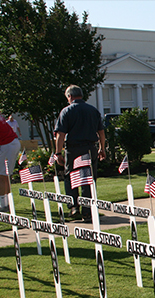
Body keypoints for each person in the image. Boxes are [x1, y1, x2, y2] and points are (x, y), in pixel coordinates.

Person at [53, 85, 106, 222]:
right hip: (90, 148)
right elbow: (101, 132)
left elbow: (60, 134)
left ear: (69, 96)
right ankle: (87, 211)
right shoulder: (93, 110)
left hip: (73, 148)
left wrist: (58, 153)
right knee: (89, 178)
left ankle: (74, 206)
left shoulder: (66, 111)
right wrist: (102, 148)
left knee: (71, 176)